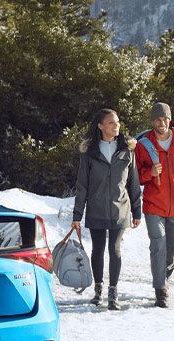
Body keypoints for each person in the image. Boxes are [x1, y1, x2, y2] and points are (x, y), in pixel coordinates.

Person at [73, 108, 141, 310]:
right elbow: (82, 185)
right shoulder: (90, 152)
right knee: (98, 249)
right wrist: (77, 215)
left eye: (117, 122)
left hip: (120, 209)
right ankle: (98, 289)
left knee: (115, 249)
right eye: (111, 122)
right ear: (101, 126)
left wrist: (137, 210)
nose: (116, 125)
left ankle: (113, 292)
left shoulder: (127, 151)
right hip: (96, 209)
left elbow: (133, 183)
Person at [135, 102, 174, 308]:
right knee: (158, 245)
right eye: (158, 119)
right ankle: (161, 290)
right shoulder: (143, 145)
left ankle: (162, 278)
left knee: (171, 251)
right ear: (152, 121)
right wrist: (149, 173)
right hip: (154, 205)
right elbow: (134, 178)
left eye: (165, 118)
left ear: (170, 119)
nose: (162, 123)